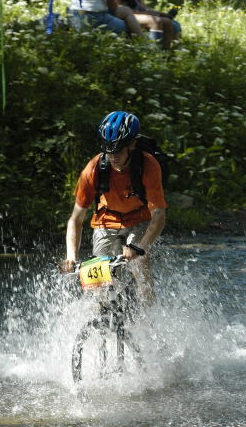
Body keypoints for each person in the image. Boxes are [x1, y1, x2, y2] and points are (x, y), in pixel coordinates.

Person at [60, 111, 167, 306]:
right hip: (105, 222)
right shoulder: (92, 169)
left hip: (139, 219)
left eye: (117, 150)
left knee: (139, 263)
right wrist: (71, 257)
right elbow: (75, 219)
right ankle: (100, 317)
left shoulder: (148, 165)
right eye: (108, 150)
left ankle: (148, 318)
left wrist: (140, 247)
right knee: (97, 282)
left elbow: (159, 214)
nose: (112, 157)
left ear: (132, 144)